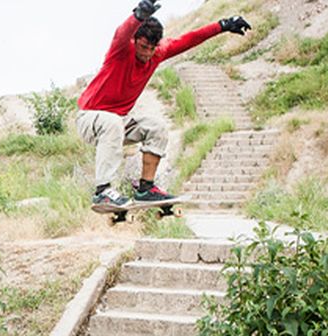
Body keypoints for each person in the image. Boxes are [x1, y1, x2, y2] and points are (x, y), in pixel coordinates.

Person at [76, 0, 251, 209]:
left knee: (156, 127)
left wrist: (222, 25)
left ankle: (146, 189)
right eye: (143, 47)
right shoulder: (122, 50)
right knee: (112, 122)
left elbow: (189, 40)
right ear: (135, 41)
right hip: (90, 118)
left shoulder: (157, 53)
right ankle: (103, 191)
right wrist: (138, 16)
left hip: (119, 122)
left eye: (151, 48)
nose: (147, 53)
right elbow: (121, 33)